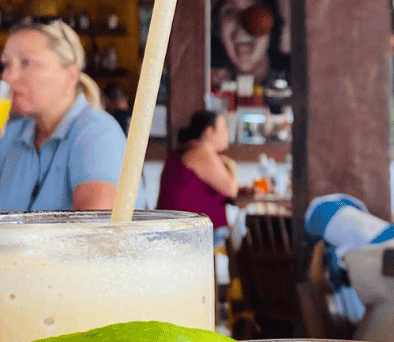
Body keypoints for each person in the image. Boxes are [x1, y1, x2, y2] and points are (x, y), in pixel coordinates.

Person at [0, 18, 127, 212]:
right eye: (7, 64)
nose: (8, 77)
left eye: (26, 63)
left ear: (70, 75)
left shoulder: (97, 133)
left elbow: (95, 230)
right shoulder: (11, 134)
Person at [156, 110, 238, 246]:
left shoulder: (188, 148)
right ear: (209, 131)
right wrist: (230, 165)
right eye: (224, 128)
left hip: (175, 228)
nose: (227, 133)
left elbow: (206, 188)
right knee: (241, 240)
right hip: (188, 234)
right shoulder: (202, 151)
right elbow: (231, 189)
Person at [210, 0, 290, 89]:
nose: (242, 26)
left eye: (254, 13)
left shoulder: (297, 75)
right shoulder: (206, 81)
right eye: (230, 12)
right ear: (217, 29)